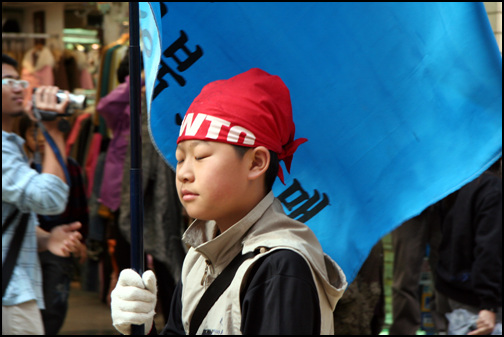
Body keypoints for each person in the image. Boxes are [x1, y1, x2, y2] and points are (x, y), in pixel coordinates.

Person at [110, 68, 347, 334]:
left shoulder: (280, 267)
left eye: (200, 156)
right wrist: (141, 327)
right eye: (180, 158)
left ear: (256, 162)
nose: (184, 173)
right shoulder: (198, 258)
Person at [2, 53, 82, 335]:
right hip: (9, 295)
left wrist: (47, 238)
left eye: (17, 79)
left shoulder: (11, 145)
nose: (16, 87)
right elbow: (50, 199)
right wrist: (52, 130)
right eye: (5, 81)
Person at [18, 114, 89, 335]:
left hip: (60, 244)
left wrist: (81, 240)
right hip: (27, 245)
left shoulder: (70, 166)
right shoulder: (20, 167)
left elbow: (79, 207)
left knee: (54, 306)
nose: (39, 137)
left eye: (43, 131)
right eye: (33, 131)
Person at [435, 158, 502, 335]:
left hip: (452, 289)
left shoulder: (463, 183)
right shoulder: (494, 190)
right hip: (475, 301)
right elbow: (489, 249)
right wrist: (489, 304)